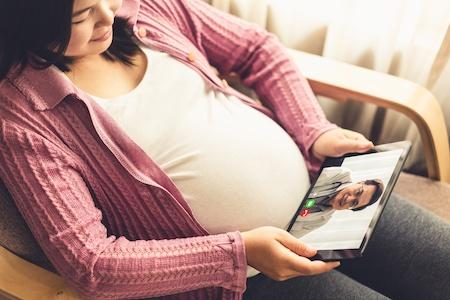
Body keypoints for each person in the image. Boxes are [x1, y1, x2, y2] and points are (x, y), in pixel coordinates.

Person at [0, 0, 448, 299]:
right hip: (242, 280)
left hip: (328, 196)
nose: (109, 15)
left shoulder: (145, 10)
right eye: (81, 15)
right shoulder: (24, 119)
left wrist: (313, 130)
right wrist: (237, 254)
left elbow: (257, 49)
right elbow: (91, 263)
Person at [290, 166, 384, 237]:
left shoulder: (321, 220)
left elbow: (290, 235)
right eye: (358, 192)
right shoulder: (340, 175)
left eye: (354, 203)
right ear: (360, 182)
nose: (349, 199)